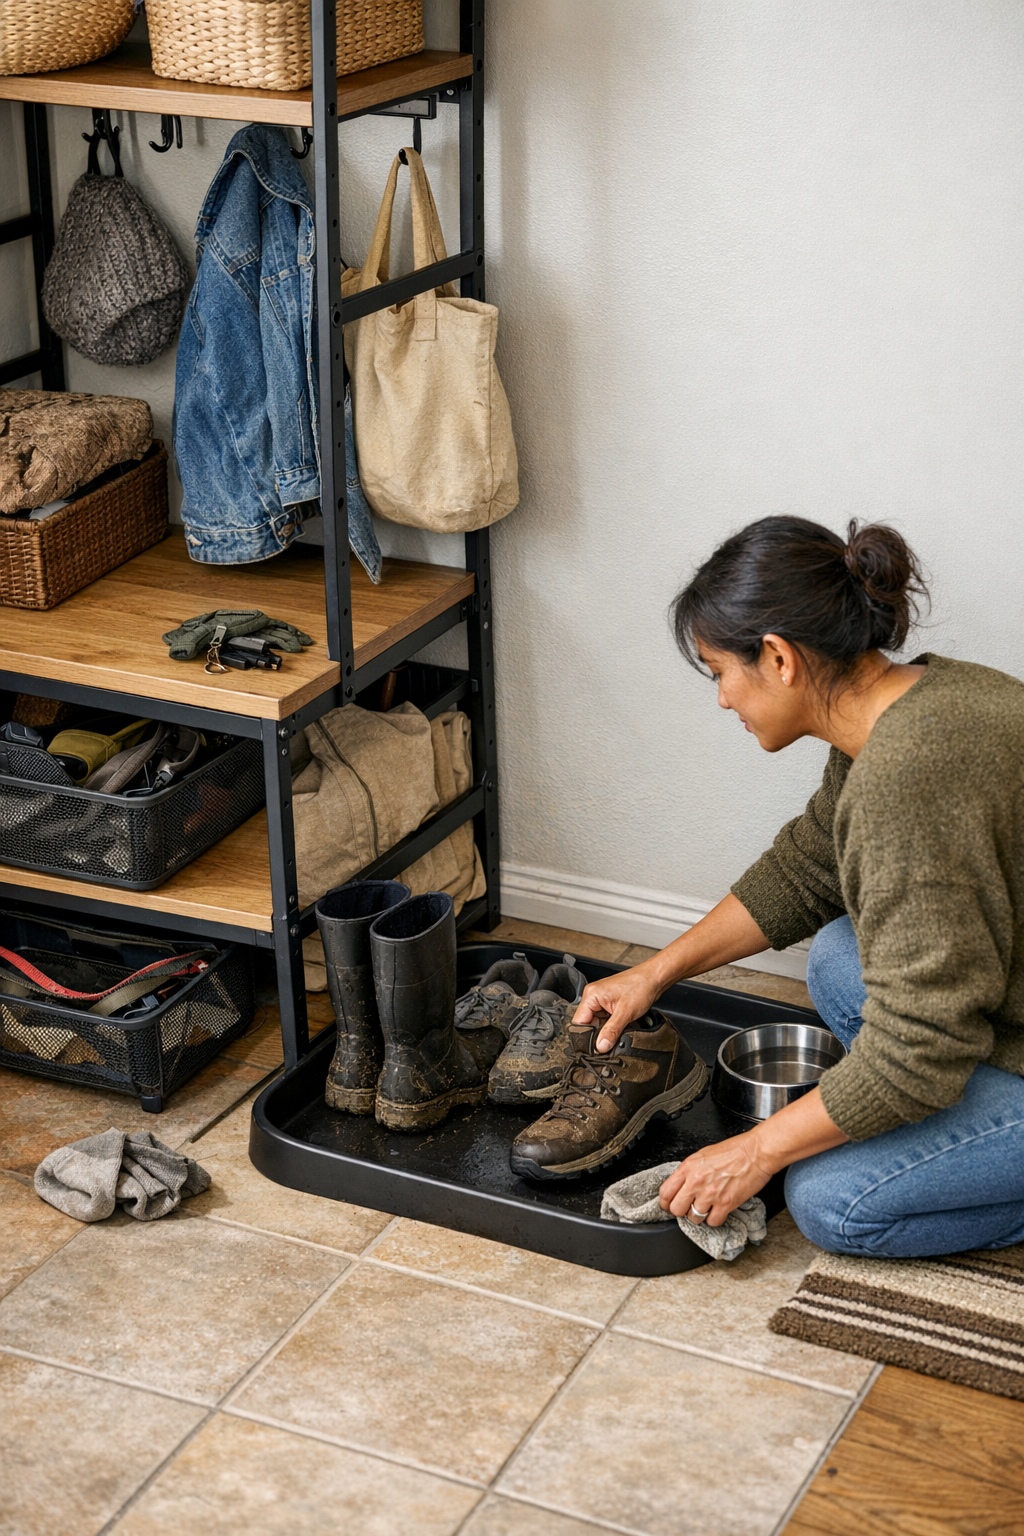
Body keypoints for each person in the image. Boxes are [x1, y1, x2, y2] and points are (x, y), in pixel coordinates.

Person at [575, 515, 1024, 1257]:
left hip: (973, 1028)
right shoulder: (915, 702)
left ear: (778, 657)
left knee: (829, 1201)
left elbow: (923, 1047)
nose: (722, 699)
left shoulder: (908, 779)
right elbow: (809, 867)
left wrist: (759, 1152)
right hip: (1004, 997)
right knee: (838, 955)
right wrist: (654, 974)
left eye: (719, 671)